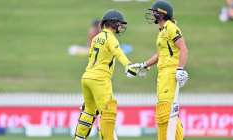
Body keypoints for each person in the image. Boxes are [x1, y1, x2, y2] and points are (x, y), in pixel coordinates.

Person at [74, 9, 137, 140]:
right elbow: (118, 53)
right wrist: (129, 65)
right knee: (108, 112)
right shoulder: (110, 38)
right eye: (119, 23)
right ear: (113, 23)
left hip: (87, 77)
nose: (121, 26)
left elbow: (91, 57)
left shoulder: (96, 38)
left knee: (89, 111)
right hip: (100, 80)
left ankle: (79, 138)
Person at [130, 1, 189, 140]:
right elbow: (159, 55)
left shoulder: (171, 27)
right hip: (162, 74)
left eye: (154, 12)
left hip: (170, 73)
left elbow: (184, 49)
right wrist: (144, 65)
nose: (152, 14)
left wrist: (180, 69)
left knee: (167, 112)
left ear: (162, 13)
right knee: (162, 114)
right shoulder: (162, 31)